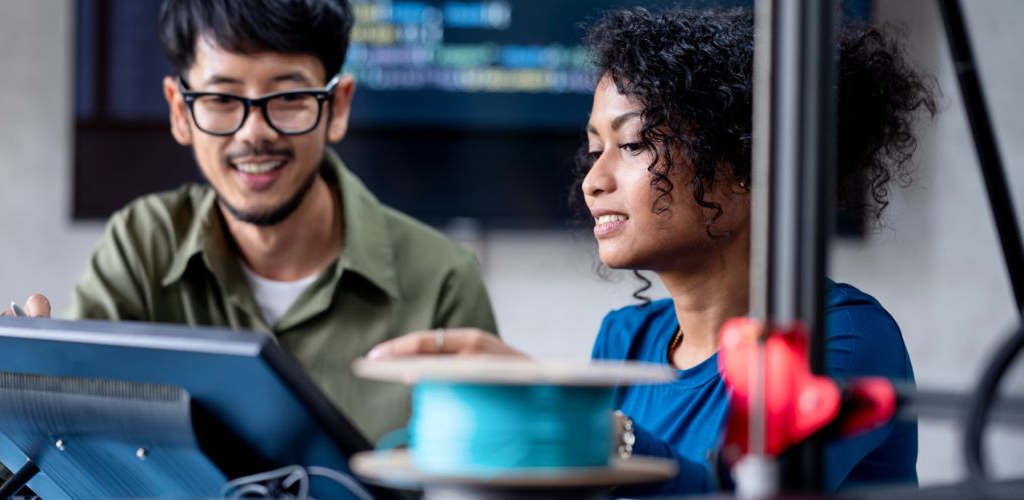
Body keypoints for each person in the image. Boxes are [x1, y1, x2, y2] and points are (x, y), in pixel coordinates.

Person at [367, 7, 936, 495]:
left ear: (745, 164)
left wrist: (586, 424)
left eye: (633, 143)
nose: (593, 180)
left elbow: (745, 490)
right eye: (595, 149)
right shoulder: (625, 338)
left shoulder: (846, 337)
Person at [0, 0, 498, 497]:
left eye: (288, 97)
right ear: (181, 110)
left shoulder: (443, 280)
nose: (254, 133)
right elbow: (70, 465)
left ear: (339, 105)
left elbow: (482, 482)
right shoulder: (141, 245)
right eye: (221, 98)